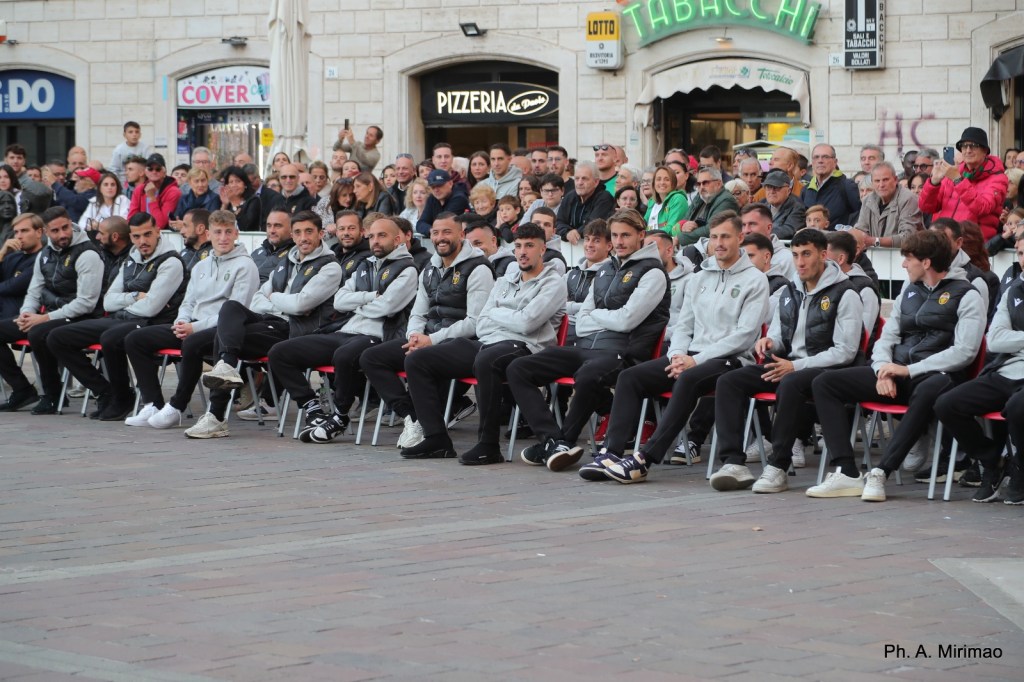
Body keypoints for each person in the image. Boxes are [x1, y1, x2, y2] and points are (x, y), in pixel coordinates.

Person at [591, 212, 769, 483]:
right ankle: (611, 453)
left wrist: (693, 362)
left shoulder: (755, 280)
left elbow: (744, 336)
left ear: (740, 238)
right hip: (690, 357)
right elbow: (684, 325)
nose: (718, 243)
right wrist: (677, 355)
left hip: (731, 360)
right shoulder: (700, 277)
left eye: (725, 237)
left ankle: (644, 459)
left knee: (687, 378)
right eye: (714, 237)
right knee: (630, 377)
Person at [808, 230, 985, 501]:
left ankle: (881, 471)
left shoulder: (968, 294)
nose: (903, 264)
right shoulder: (909, 290)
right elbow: (886, 337)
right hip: (896, 372)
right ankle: (846, 471)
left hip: (940, 377)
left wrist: (908, 370)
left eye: (908, 258)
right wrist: (882, 368)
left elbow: (965, 352)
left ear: (926, 262)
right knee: (825, 383)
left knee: (930, 389)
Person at [508, 209, 668, 470]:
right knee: (519, 367)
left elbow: (627, 321)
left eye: (626, 235)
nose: (619, 241)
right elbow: (581, 324)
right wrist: (604, 316)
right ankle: (553, 440)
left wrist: (597, 314)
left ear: (641, 236)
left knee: (589, 374)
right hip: (585, 348)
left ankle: (566, 439)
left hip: (624, 353)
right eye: (615, 235)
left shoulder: (653, 273)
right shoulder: (605, 270)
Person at [397, 222, 566, 463]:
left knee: (487, 360)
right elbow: (481, 323)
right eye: (518, 246)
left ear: (543, 249)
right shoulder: (505, 280)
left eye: (530, 246)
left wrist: (499, 314)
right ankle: (436, 439)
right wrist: (510, 317)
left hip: (525, 347)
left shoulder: (553, 282)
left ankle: (488, 445)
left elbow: (528, 324)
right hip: (488, 342)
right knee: (418, 359)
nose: (523, 252)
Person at [709, 228, 864, 492]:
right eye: (795, 255)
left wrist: (795, 365)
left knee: (790, 383)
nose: (800, 262)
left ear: (824, 255)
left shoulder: (845, 293)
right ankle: (734, 463)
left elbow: (845, 352)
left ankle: (778, 467)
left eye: (807, 254)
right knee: (730, 381)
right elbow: (780, 336)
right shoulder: (790, 291)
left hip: (828, 369)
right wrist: (771, 343)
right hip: (790, 365)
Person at [178, 211, 343, 439]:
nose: (303, 237)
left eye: (309, 232)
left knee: (222, 338)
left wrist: (273, 298)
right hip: (269, 321)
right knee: (231, 308)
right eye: (297, 232)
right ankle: (225, 369)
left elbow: (301, 304)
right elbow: (257, 299)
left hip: (294, 330)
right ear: (292, 235)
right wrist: (279, 301)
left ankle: (216, 415)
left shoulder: (330, 267)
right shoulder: (288, 260)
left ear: (321, 234)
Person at [270, 216, 419, 443]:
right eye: (372, 236)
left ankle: (339, 416)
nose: (375, 241)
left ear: (398, 239)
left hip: (376, 337)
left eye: (382, 236)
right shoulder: (364, 265)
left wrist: (360, 303)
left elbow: (387, 307)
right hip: (344, 331)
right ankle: (313, 410)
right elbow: (340, 301)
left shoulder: (408, 269)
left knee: (344, 355)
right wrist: (370, 297)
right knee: (280, 352)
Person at [360, 213, 495, 450]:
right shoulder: (429, 268)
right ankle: (412, 416)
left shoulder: (478, 268)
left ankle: (429, 429)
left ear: (461, 235)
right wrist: (414, 337)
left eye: (447, 232)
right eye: (435, 232)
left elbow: (475, 322)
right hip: (427, 340)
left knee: (421, 360)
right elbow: (418, 312)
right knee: (371, 357)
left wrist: (431, 340)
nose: (440, 238)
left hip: (464, 344)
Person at [123, 211, 260, 430]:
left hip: (222, 331)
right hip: (190, 325)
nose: (223, 237)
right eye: (217, 232)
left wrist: (193, 328)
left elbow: (236, 311)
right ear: (208, 234)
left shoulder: (246, 266)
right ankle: (153, 404)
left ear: (236, 233)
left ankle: (177, 407)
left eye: (228, 232)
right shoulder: (201, 266)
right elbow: (188, 302)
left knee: (192, 342)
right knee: (135, 339)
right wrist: (181, 322)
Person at [46, 213, 186, 421]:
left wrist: (123, 305)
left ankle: (123, 399)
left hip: (153, 323)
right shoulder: (131, 259)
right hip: (122, 318)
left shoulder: (171, 261)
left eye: (148, 234)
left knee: (111, 337)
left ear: (158, 232)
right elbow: (108, 301)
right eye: (137, 237)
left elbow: (151, 308)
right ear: (131, 237)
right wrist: (135, 296)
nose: (142, 241)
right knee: (57, 337)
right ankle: (105, 391)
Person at [935, 232, 1024, 503]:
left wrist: (1015, 339)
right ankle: (993, 461)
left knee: (1018, 407)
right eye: (1020, 253)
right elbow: (995, 340)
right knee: (946, 404)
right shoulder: (1013, 291)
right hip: (1007, 369)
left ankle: (1020, 467)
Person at [0, 207, 103, 414]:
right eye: (55, 231)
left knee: (40, 332)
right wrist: (26, 314)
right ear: (46, 232)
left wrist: (44, 317)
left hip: (84, 318)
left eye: (65, 228)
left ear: (70, 223)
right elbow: (34, 291)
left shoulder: (87, 253)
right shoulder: (45, 254)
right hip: (52, 316)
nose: (62, 234)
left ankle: (53, 395)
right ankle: (22, 390)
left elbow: (86, 304)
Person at [918, 127, 1009, 241]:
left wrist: (958, 180)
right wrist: (933, 183)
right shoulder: (955, 173)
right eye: (964, 146)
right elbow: (926, 207)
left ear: (985, 150)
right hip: (944, 242)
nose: (968, 150)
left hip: (972, 245)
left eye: (974, 146)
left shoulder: (998, 178)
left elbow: (983, 207)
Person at [852, 161, 924, 248]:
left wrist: (875, 241)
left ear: (895, 180)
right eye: (877, 181)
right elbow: (861, 230)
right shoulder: (868, 200)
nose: (881, 185)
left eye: (885, 180)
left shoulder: (909, 199)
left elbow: (908, 237)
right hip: (875, 257)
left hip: (905, 256)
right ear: (872, 182)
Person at [825, 231, 882, 338]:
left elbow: (861, 337)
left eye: (825, 258)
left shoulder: (865, 290)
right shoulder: (824, 282)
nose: (820, 262)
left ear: (841, 259)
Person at [565, 219, 612, 343]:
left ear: (609, 246)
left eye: (596, 240)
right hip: (564, 328)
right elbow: (554, 305)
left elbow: (596, 312)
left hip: (588, 335)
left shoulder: (612, 275)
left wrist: (568, 307)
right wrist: (578, 307)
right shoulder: (572, 273)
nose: (589, 244)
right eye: (587, 239)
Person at [677, 167, 741, 245]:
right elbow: (685, 219)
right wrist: (683, 226)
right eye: (699, 184)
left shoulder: (726, 200)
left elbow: (710, 229)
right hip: (693, 245)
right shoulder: (700, 197)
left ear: (718, 183)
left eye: (705, 183)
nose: (701, 187)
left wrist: (680, 238)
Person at [801, 144, 861, 226]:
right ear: (812, 162)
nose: (820, 161)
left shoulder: (847, 186)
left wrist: (845, 232)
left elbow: (860, 214)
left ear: (835, 162)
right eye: (816, 157)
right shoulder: (806, 190)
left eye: (825, 157)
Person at [0, 213, 44, 324]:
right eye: (16, 232)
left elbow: (13, 286)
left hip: (20, 315)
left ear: (39, 232)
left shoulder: (44, 258)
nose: (19, 236)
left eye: (24, 231)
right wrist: (1, 254)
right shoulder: (11, 257)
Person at [646, 229, 693, 328]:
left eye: (652, 249)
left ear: (669, 251)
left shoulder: (691, 280)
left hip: (670, 339)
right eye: (645, 251)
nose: (647, 255)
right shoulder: (642, 280)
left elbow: (689, 324)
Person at [740, 204, 797, 280]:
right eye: (743, 225)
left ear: (769, 228)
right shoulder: (737, 255)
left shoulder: (787, 259)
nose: (746, 230)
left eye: (752, 224)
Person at [127, 153, 181, 229]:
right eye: (150, 169)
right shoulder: (139, 190)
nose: (154, 172)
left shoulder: (173, 192)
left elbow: (160, 224)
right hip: (142, 232)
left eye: (158, 169)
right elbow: (131, 219)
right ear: (146, 172)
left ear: (164, 172)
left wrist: (152, 198)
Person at [415, 169, 469, 236]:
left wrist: (434, 231)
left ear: (450, 183)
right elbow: (420, 223)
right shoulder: (432, 198)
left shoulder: (459, 198)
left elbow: (445, 224)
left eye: (439, 185)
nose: (436, 190)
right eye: (433, 187)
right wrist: (431, 230)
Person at [758, 169, 805, 239]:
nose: (772, 191)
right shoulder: (761, 205)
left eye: (777, 188)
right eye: (768, 187)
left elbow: (788, 230)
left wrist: (758, 232)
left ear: (788, 191)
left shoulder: (797, 207)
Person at [251, 209, 295, 284]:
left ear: (291, 229)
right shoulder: (257, 253)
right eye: (269, 225)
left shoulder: (295, 255)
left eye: (277, 226)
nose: (272, 230)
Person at [643, 165, 688, 236]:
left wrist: (647, 234)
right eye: (658, 179)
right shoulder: (652, 201)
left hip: (668, 242)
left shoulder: (678, 199)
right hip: (648, 242)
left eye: (667, 179)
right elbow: (642, 224)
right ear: (654, 183)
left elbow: (672, 228)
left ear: (673, 183)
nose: (662, 182)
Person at [331, 210, 372, 284]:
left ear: (362, 231)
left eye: (351, 228)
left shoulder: (370, 258)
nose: (346, 233)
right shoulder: (331, 255)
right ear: (336, 233)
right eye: (342, 229)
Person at [217, 166, 262, 232]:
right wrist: (225, 204)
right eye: (231, 182)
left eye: (238, 181)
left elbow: (245, 227)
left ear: (245, 184)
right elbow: (218, 224)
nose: (234, 185)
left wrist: (234, 202)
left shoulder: (254, 201)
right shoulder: (228, 202)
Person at [178, 208, 213, 274]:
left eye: (185, 226)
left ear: (200, 229)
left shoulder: (214, 255)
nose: (181, 231)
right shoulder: (183, 253)